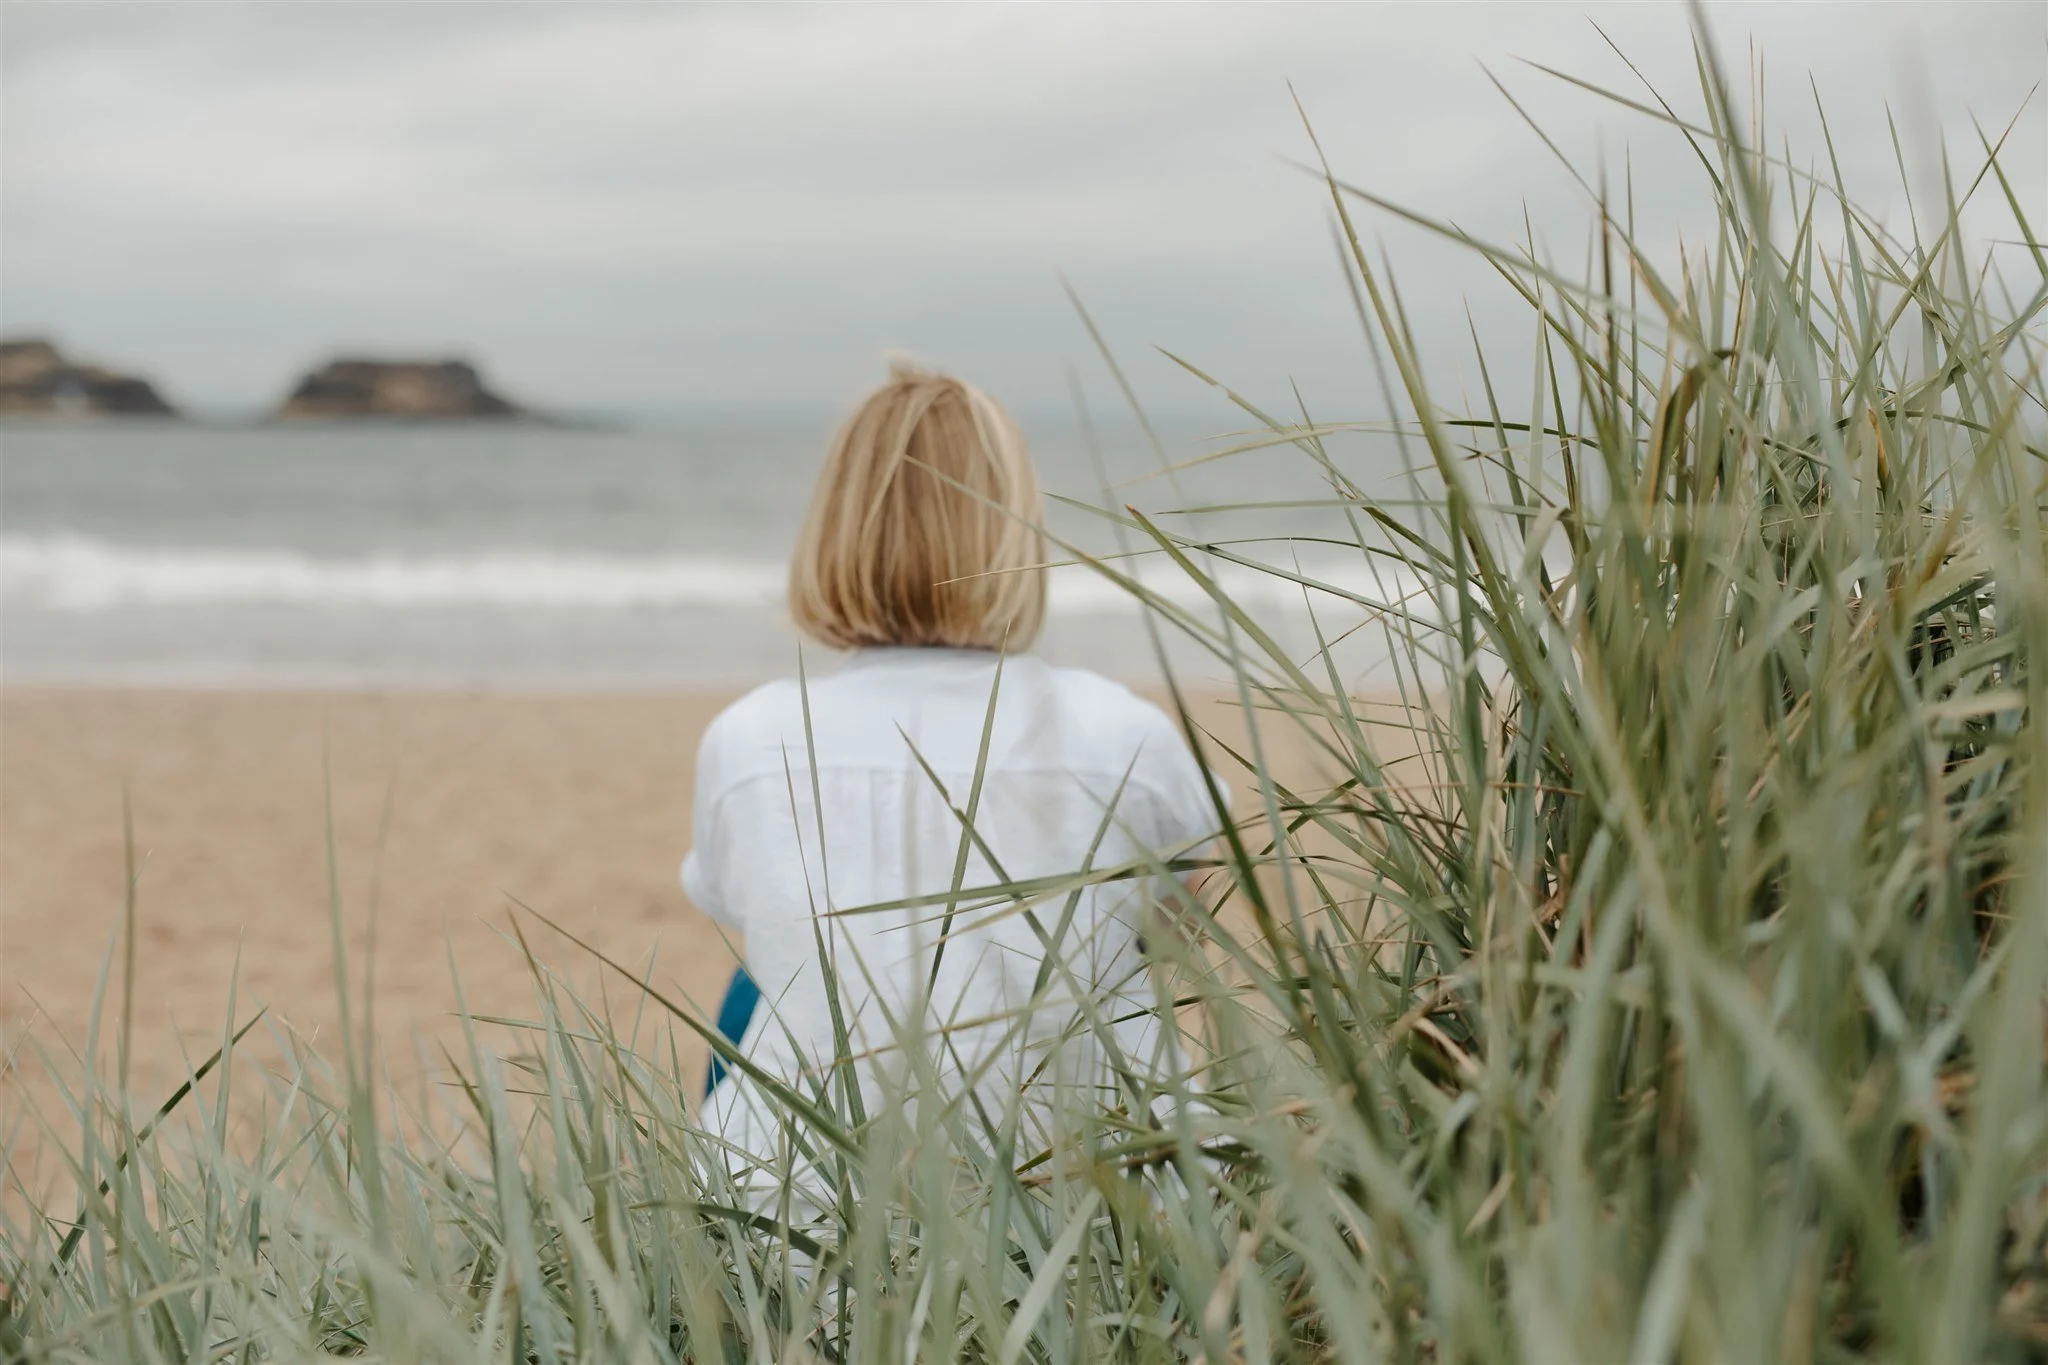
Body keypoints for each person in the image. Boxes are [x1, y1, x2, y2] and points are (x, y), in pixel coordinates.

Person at [680, 360, 1223, 1198]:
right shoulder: (1123, 734)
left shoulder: (750, 739)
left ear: (835, 528)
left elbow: (748, 913)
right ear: (1013, 533)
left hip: (799, 1229)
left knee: (756, 987)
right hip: (1098, 1217)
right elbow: (1181, 919)